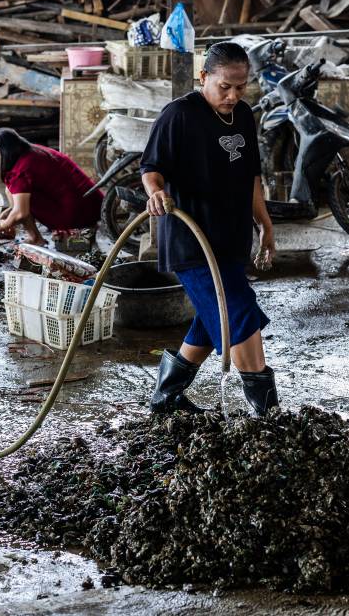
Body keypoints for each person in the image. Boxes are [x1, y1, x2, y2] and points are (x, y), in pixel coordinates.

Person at [140, 41, 278, 417]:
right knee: (239, 313)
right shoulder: (179, 115)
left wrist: (265, 226)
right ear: (204, 78)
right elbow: (152, 168)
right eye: (225, 87)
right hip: (192, 243)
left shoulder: (245, 116)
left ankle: (166, 398)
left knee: (211, 317)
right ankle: (269, 414)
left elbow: (252, 177)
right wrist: (155, 193)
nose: (233, 95)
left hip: (231, 239)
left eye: (241, 86)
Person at [0, 128, 103, 247]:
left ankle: (36, 238)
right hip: (91, 204)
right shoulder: (33, 150)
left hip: (78, 213)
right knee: (12, 190)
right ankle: (37, 235)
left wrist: (3, 225)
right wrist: (11, 210)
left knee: (21, 199)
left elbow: (21, 213)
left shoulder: (20, 170)